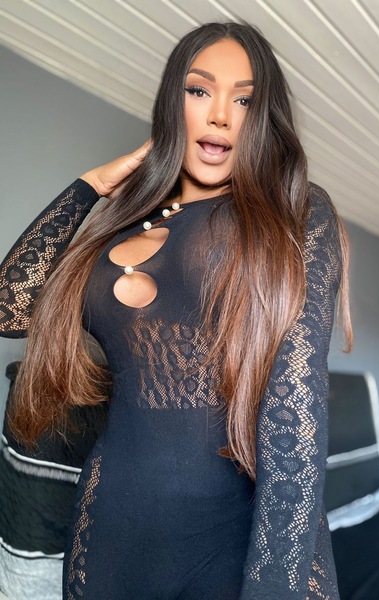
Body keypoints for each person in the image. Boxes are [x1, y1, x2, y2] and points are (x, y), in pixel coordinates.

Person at [0, 21, 351, 600]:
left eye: (244, 100)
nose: (220, 115)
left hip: (229, 541)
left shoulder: (291, 215)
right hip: (107, 532)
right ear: (173, 103)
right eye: (199, 90)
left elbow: (295, 410)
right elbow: (11, 309)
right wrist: (89, 187)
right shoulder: (121, 227)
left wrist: (277, 586)